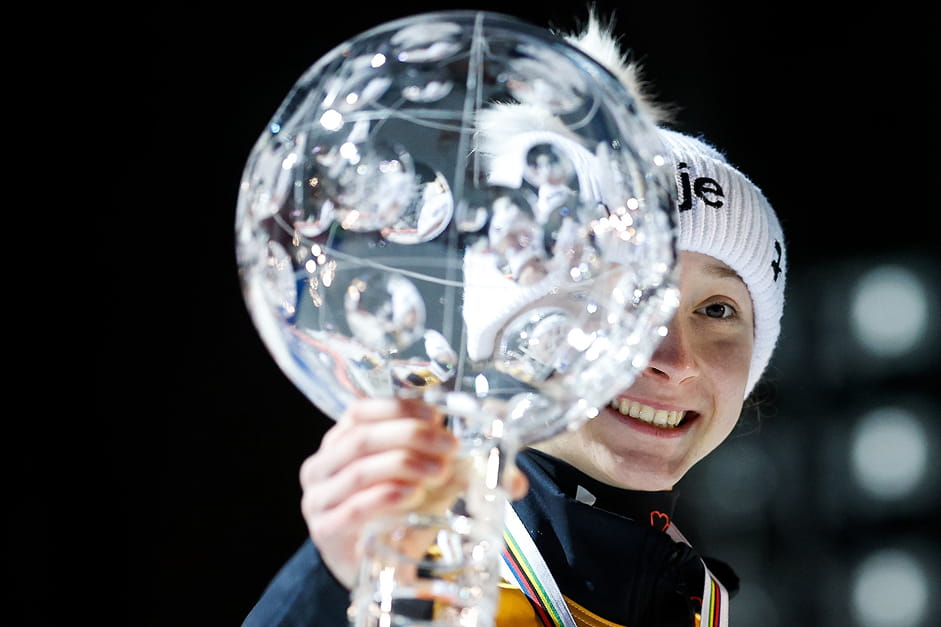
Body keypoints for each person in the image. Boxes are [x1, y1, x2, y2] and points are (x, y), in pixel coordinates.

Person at [243, 13, 787, 627]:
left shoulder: (686, 600)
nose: (676, 360)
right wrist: (330, 586)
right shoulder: (415, 580)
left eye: (717, 310)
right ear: (512, 331)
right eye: (628, 298)